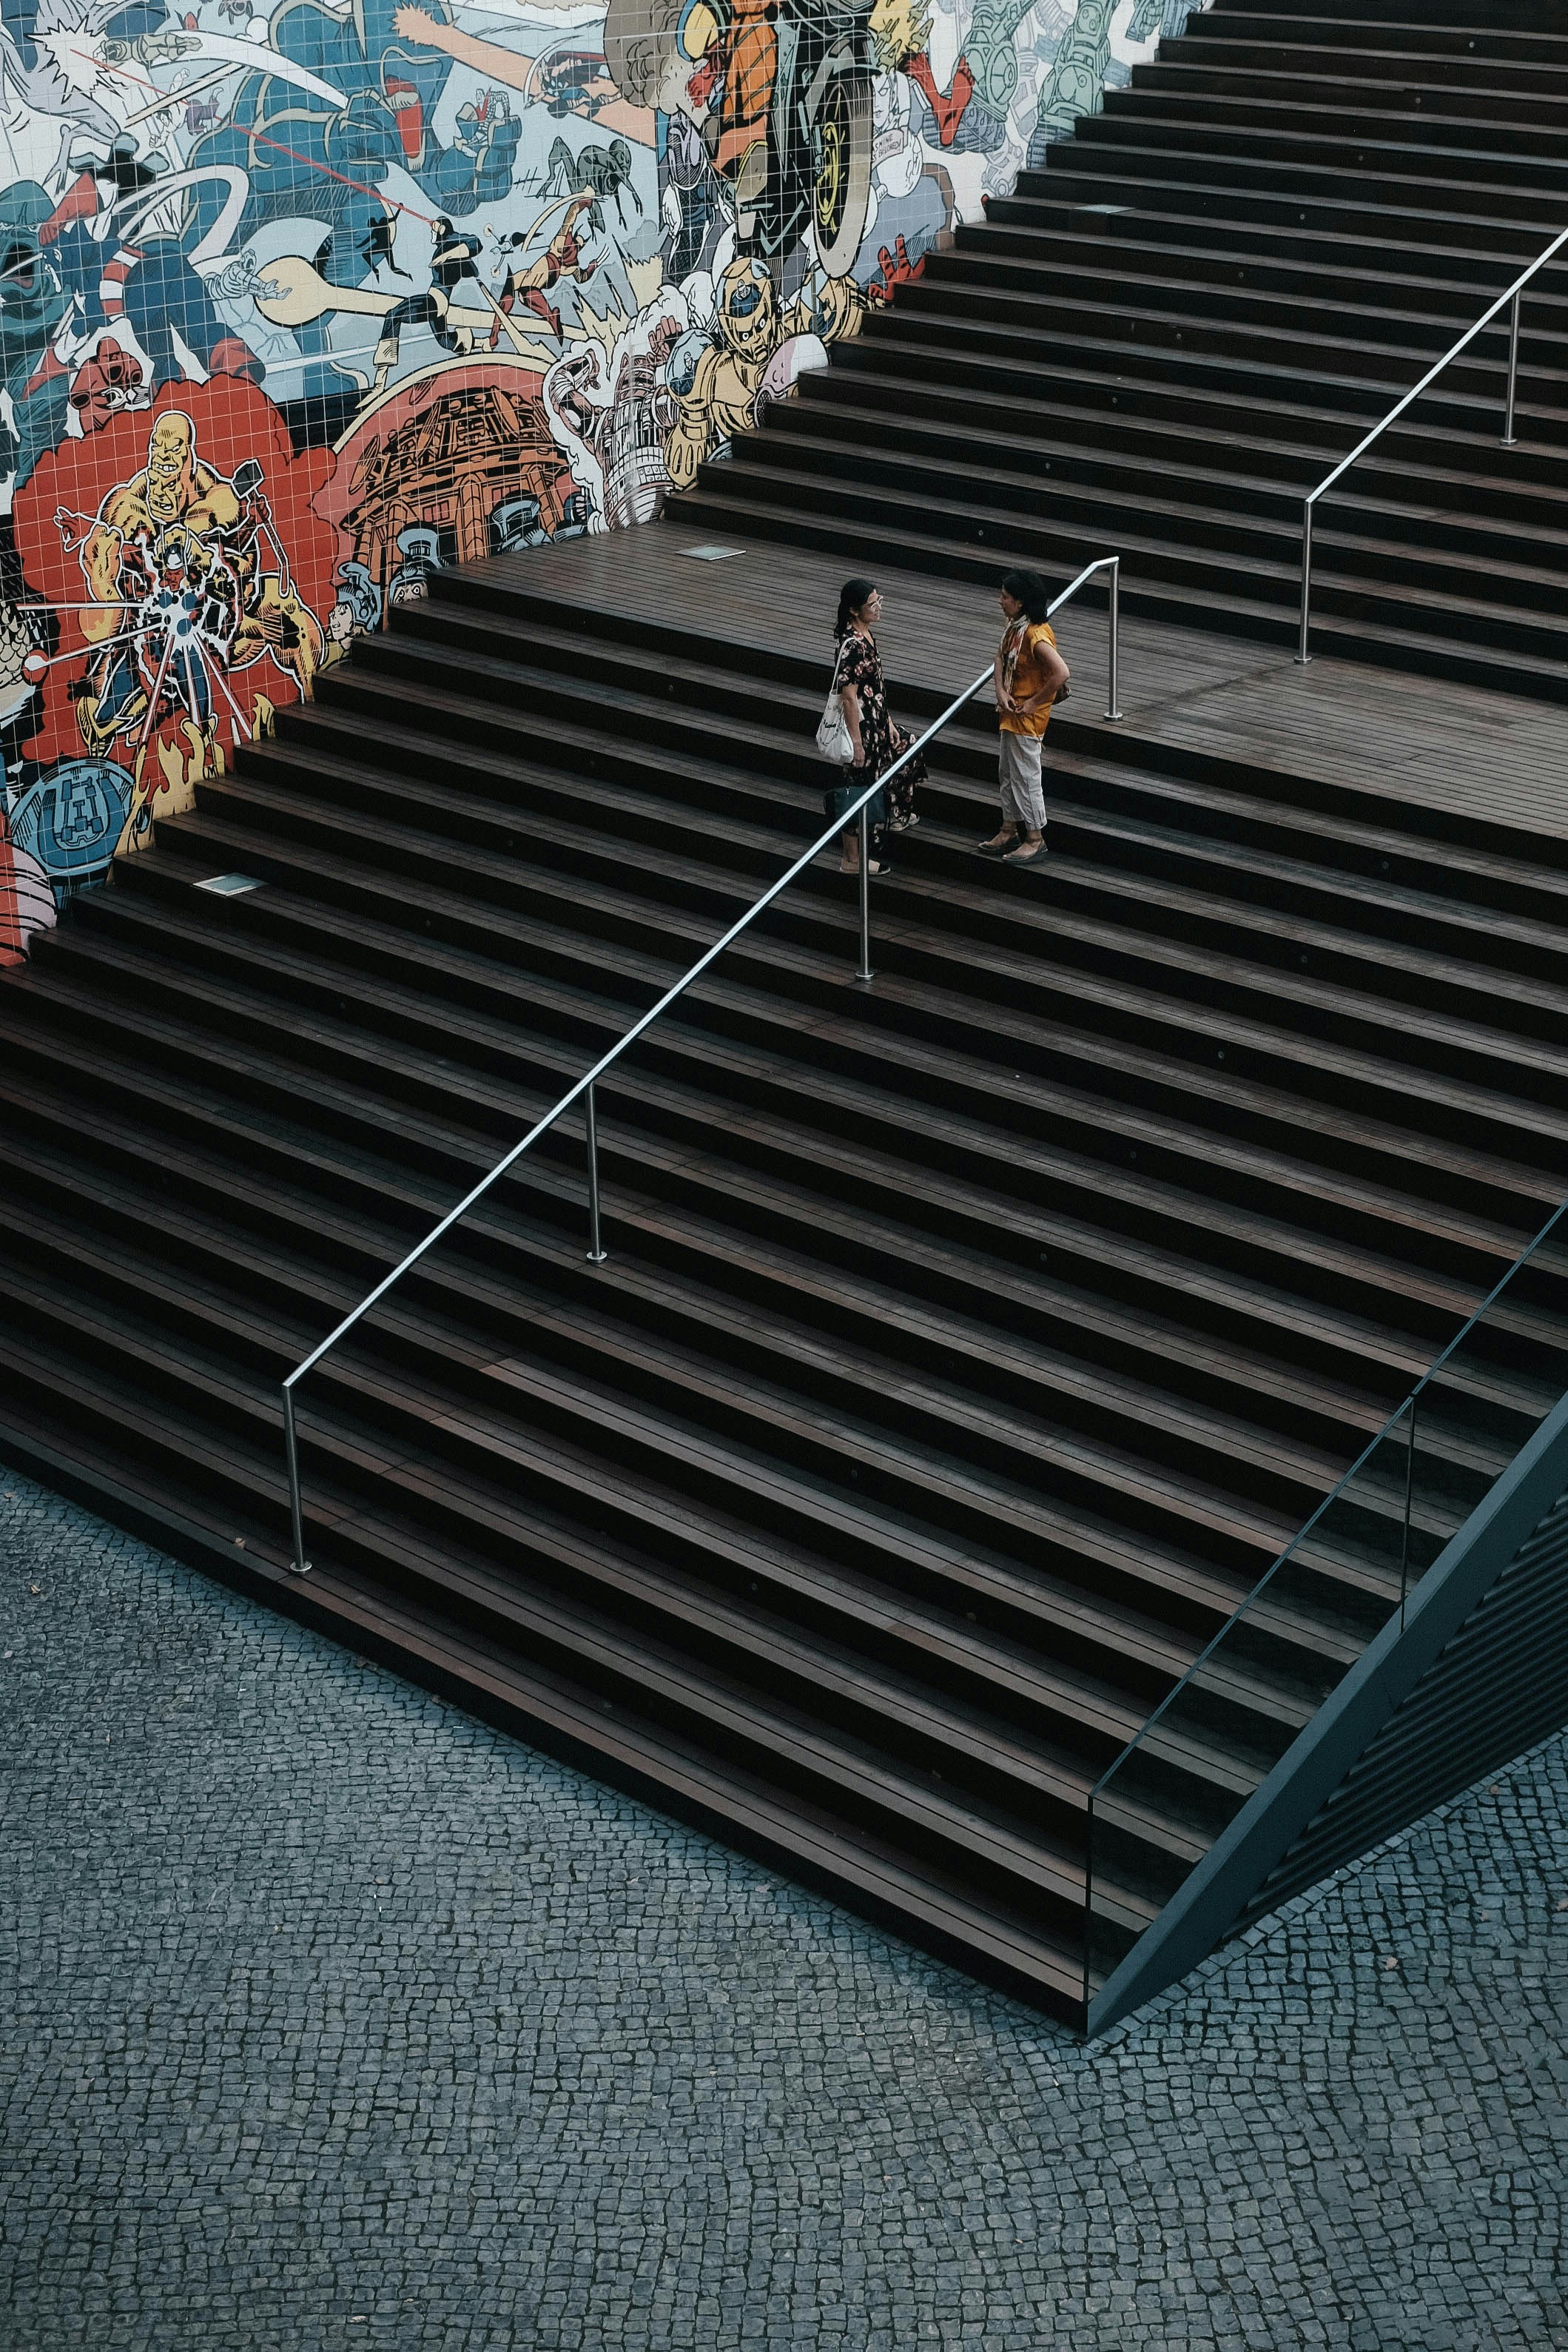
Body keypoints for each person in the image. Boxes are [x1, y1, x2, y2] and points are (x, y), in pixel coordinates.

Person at [834, 577, 926, 875]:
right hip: (862, 731)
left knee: (908, 749)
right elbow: (849, 697)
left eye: (878, 601)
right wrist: (857, 742)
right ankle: (852, 858)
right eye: (871, 604)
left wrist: (888, 721)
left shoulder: (867, 636)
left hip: (878, 724)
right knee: (859, 788)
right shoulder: (851, 646)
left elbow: (873, 689)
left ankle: (896, 814)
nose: (878, 608)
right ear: (854, 611)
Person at [980, 568, 1070, 864]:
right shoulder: (1014, 626)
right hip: (1011, 713)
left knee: (1026, 778)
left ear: (1019, 603)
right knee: (1007, 773)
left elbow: (1061, 673)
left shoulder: (1034, 635)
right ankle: (1009, 828)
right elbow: (999, 657)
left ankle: (1035, 837)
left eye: (1005, 597)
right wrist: (999, 690)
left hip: (1027, 719)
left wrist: (1033, 702)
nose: (999, 601)